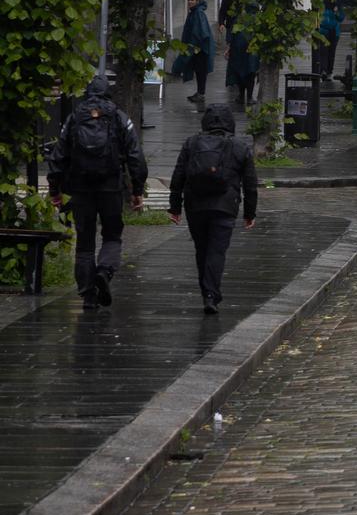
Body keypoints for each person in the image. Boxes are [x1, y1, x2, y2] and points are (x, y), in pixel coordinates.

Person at [47, 76, 148, 311]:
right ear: (108, 94)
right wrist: (137, 190)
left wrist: (55, 189)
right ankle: (104, 270)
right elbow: (135, 155)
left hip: (80, 188)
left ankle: (88, 295)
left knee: (84, 242)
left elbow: (58, 156)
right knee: (112, 235)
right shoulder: (119, 117)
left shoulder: (74, 118)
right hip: (110, 186)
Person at [168, 103, 257, 314]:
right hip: (225, 206)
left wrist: (175, 207)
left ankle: (206, 290)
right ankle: (210, 294)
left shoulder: (191, 143)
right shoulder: (240, 146)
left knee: (202, 249)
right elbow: (250, 184)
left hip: (195, 204)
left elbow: (178, 176)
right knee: (217, 251)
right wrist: (249, 213)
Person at [180, 0, 215, 102]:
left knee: (201, 71)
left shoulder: (198, 13)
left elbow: (202, 31)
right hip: (195, 47)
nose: (189, 2)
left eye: (192, 0)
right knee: (198, 71)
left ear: (197, 1)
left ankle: (201, 94)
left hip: (200, 48)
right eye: (188, 0)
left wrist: (196, 46)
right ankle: (199, 92)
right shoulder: (193, 12)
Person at [226, 21, 260, 108]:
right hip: (248, 48)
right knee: (249, 71)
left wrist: (229, 47)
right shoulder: (254, 19)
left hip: (240, 48)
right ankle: (247, 97)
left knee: (242, 71)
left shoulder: (238, 19)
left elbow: (231, 33)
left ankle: (243, 96)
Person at [313, 0, 342, 80]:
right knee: (323, 52)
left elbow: (341, 18)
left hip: (334, 33)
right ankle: (323, 71)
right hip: (323, 32)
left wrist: (337, 11)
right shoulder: (320, 4)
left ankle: (329, 72)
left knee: (331, 53)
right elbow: (317, 18)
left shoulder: (337, 4)